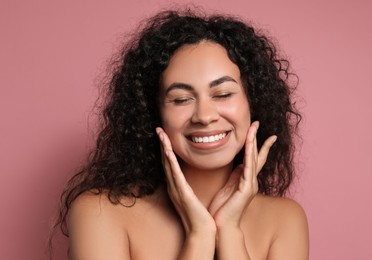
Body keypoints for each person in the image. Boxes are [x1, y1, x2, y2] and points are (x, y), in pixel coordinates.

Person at [54, 8, 309, 260]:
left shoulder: (285, 221)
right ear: (154, 115)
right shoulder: (100, 213)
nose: (204, 116)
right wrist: (199, 236)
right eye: (181, 99)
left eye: (222, 94)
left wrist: (229, 232)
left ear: (253, 103)